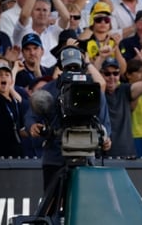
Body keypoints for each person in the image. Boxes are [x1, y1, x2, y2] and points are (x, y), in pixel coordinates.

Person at [26, 46, 112, 189]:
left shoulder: (93, 90)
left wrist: (106, 138)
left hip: (86, 155)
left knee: (84, 204)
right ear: (60, 67)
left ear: (82, 66)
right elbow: (30, 116)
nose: (72, 70)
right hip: (55, 156)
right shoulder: (48, 89)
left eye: (75, 66)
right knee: (51, 206)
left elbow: (104, 122)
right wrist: (32, 126)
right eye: (68, 67)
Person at [101, 52, 142, 158]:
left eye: (115, 73)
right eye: (107, 74)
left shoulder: (124, 90)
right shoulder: (97, 92)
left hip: (126, 151)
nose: (112, 77)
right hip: (103, 152)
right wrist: (100, 58)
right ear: (101, 75)